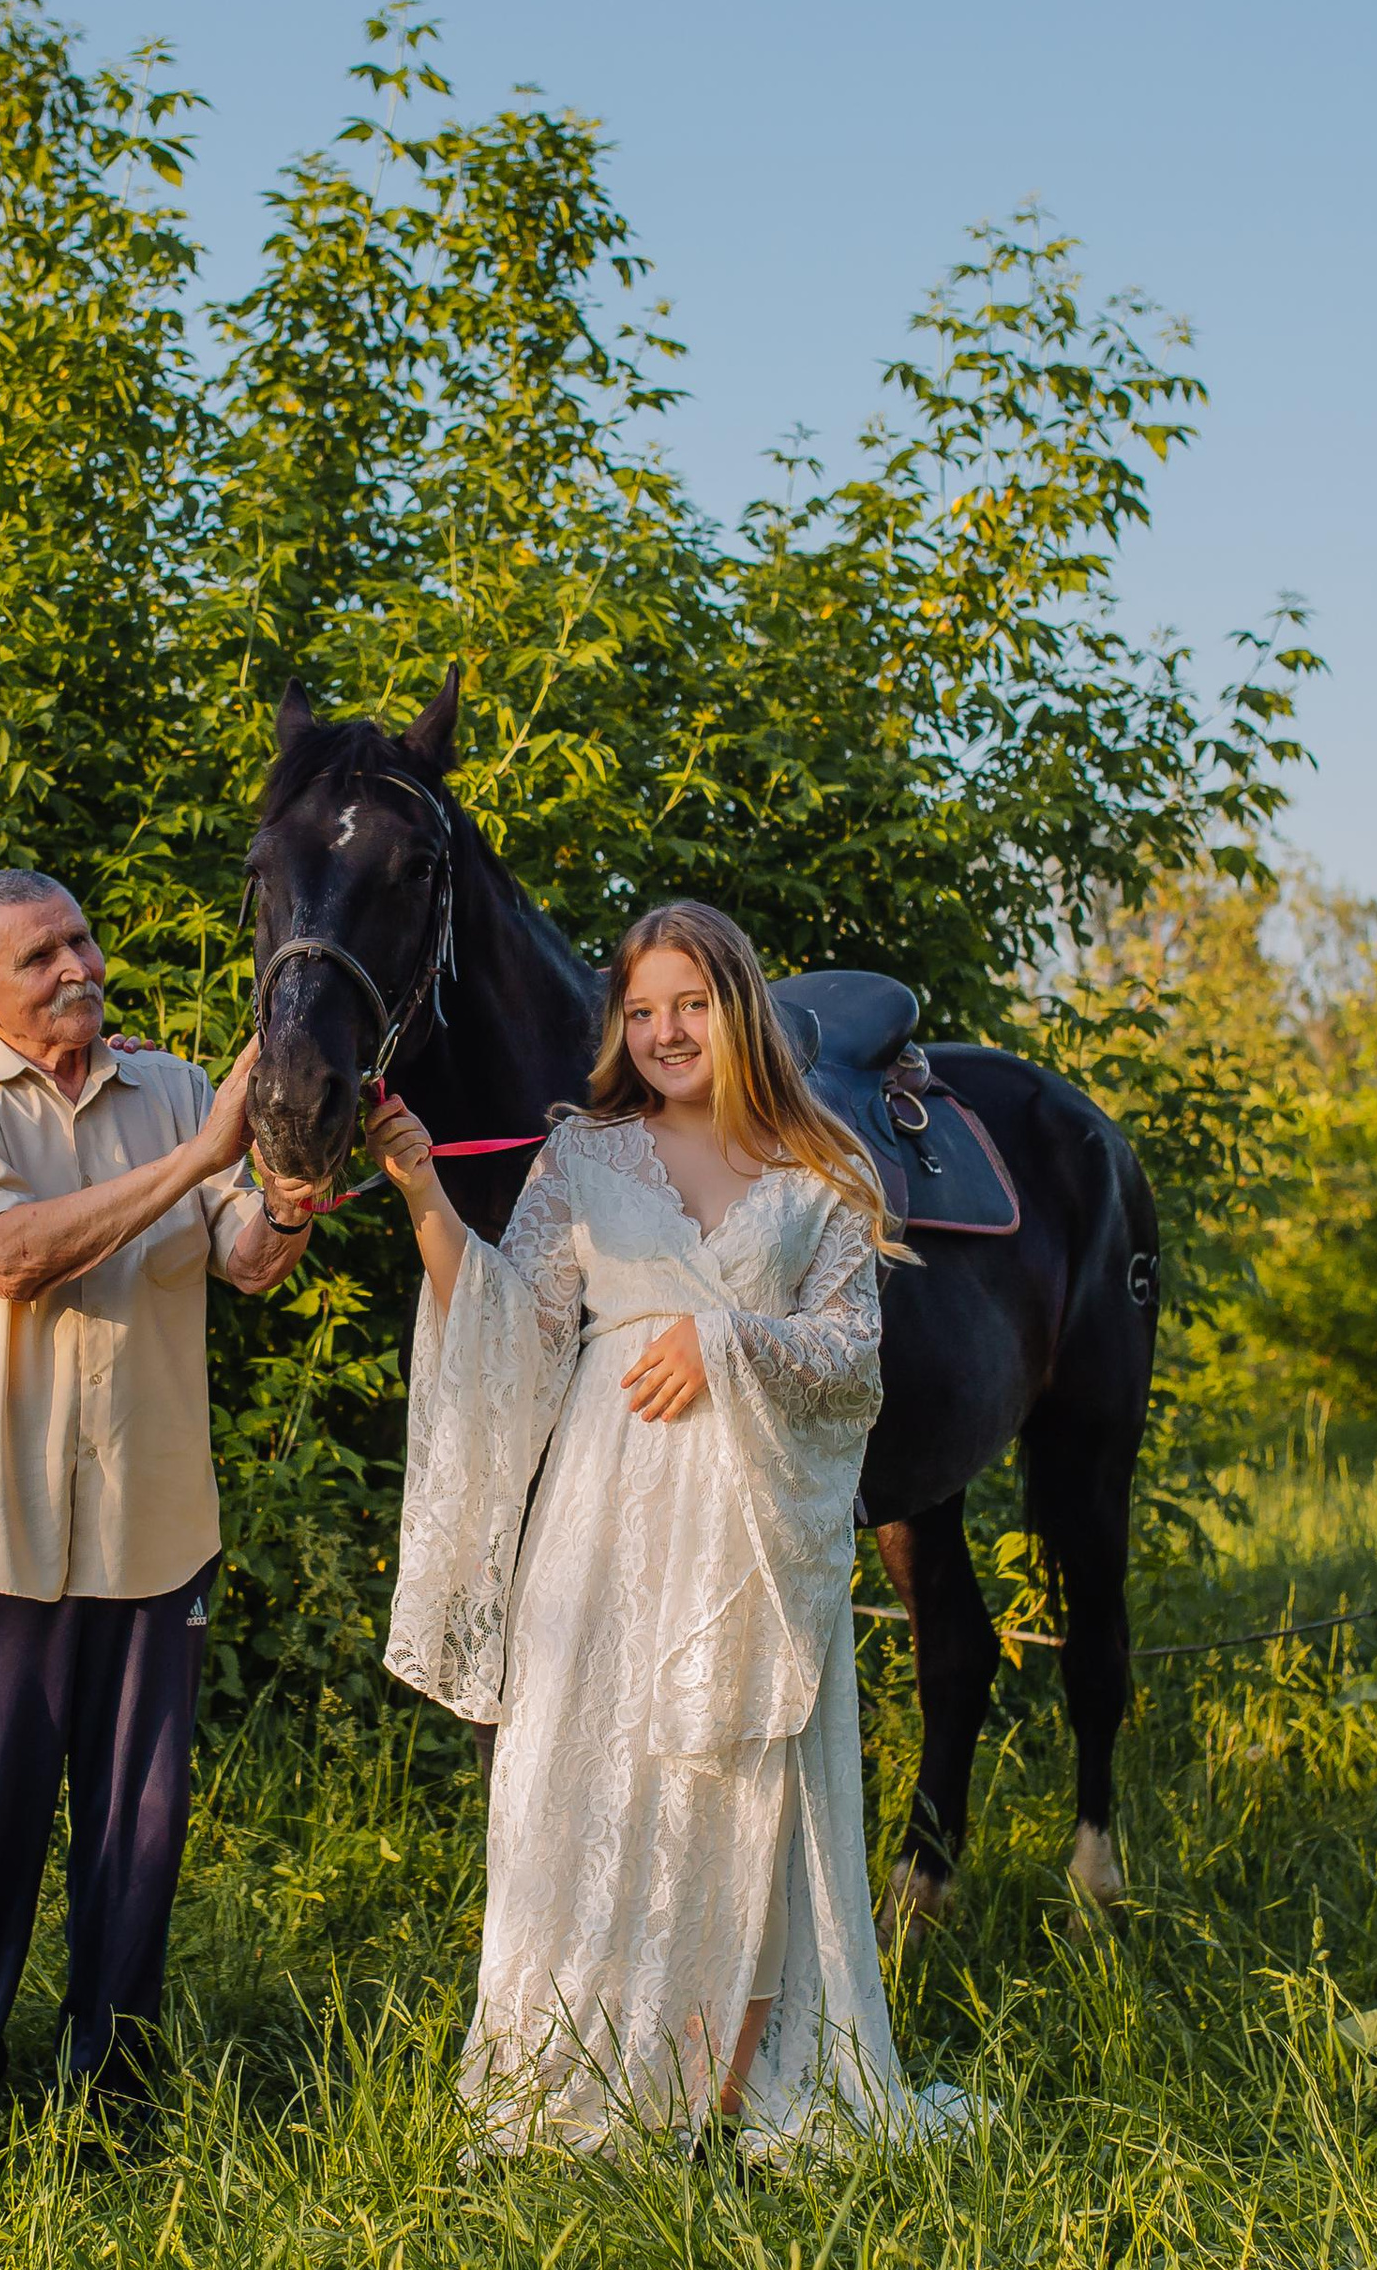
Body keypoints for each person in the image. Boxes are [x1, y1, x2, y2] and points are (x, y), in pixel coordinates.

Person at [367, 899, 960, 2158]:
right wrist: (423, 1191)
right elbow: (515, 1325)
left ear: (735, 1003)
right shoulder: (583, 1158)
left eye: (688, 1003)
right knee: (580, 1784)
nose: (663, 1031)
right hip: (601, 1531)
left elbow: (854, 1361)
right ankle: (581, 2067)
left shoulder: (820, 1175)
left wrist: (725, 1339)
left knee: (737, 1781)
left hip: (746, 1535)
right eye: (640, 1011)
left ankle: (721, 2098)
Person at [0, 869, 315, 2125]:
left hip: (153, 1524)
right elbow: (8, 1257)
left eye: (81, 939)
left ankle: (111, 2107)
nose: (80, 966)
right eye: (41, 957)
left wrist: (286, 1197)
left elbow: (241, 1261)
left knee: (137, 1851)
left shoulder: (178, 1085)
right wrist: (203, 1154)